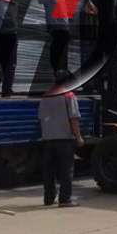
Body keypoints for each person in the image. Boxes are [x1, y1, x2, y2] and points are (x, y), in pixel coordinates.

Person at [20, 0, 97, 75]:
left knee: (55, 55)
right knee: (59, 55)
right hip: (63, 31)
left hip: (60, 31)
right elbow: (94, 11)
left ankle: (60, 74)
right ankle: (62, 73)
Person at [38, 70, 85, 207]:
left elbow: (40, 118)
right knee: (66, 171)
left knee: (49, 171)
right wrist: (79, 137)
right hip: (64, 139)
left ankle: (48, 199)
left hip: (47, 139)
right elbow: (74, 118)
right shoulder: (69, 95)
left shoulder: (46, 96)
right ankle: (65, 200)